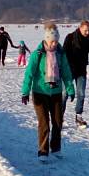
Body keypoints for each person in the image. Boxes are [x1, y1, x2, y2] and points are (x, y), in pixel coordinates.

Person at [21, 24, 75, 161]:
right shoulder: (37, 54)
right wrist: (25, 92)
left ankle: (55, 148)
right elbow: (29, 74)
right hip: (40, 92)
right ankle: (43, 151)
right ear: (46, 39)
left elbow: (66, 73)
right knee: (44, 123)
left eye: (56, 40)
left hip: (56, 92)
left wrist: (70, 89)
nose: (55, 43)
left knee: (57, 122)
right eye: (52, 41)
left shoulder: (61, 54)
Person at [62, 20, 89, 128]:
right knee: (64, 94)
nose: (87, 32)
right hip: (69, 70)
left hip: (81, 70)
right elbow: (63, 53)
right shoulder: (70, 37)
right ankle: (59, 117)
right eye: (85, 30)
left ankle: (78, 116)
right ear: (80, 28)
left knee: (81, 93)